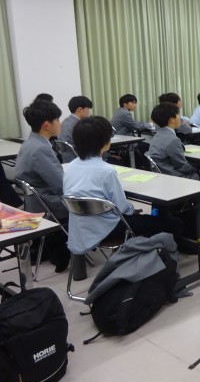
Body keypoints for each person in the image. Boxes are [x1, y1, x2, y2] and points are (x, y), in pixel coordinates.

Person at [64, 116, 184, 255]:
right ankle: (162, 261)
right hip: (107, 228)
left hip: (80, 228)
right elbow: (123, 209)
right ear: (104, 141)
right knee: (174, 223)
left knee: (149, 220)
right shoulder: (106, 171)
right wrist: (133, 210)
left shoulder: (70, 167)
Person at [15, 100, 70, 271]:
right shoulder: (41, 149)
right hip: (49, 205)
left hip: (35, 202)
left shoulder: (30, 143)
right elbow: (62, 186)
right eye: (58, 120)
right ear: (47, 125)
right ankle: (66, 249)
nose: (60, 123)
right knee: (93, 202)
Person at [147, 102, 200, 179]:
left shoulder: (157, 135)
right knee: (197, 175)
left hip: (161, 173)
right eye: (178, 115)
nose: (180, 118)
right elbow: (182, 167)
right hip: (172, 177)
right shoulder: (173, 140)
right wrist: (198, 169)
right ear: (172, 120)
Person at [59, 95, 93, 162]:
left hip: (66, 159)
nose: (89, 112)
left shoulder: (65, 121)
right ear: (80, 109)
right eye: (88, 109)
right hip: (80, 159)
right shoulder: (79, 125)